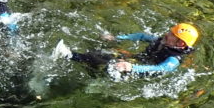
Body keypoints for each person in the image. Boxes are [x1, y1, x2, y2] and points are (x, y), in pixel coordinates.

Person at [58, 23, 200, 75]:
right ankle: (79, 59)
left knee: (107, 64)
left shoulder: (173, 60)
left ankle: (68, 56)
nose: (167, 34)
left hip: (141, 70)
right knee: (103, 52)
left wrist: (131, 67)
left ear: (180, 44)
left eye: (172, 35)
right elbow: (141, 36)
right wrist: (117, 38)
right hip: (138, 59)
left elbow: (158, 69)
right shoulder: (163, 41)